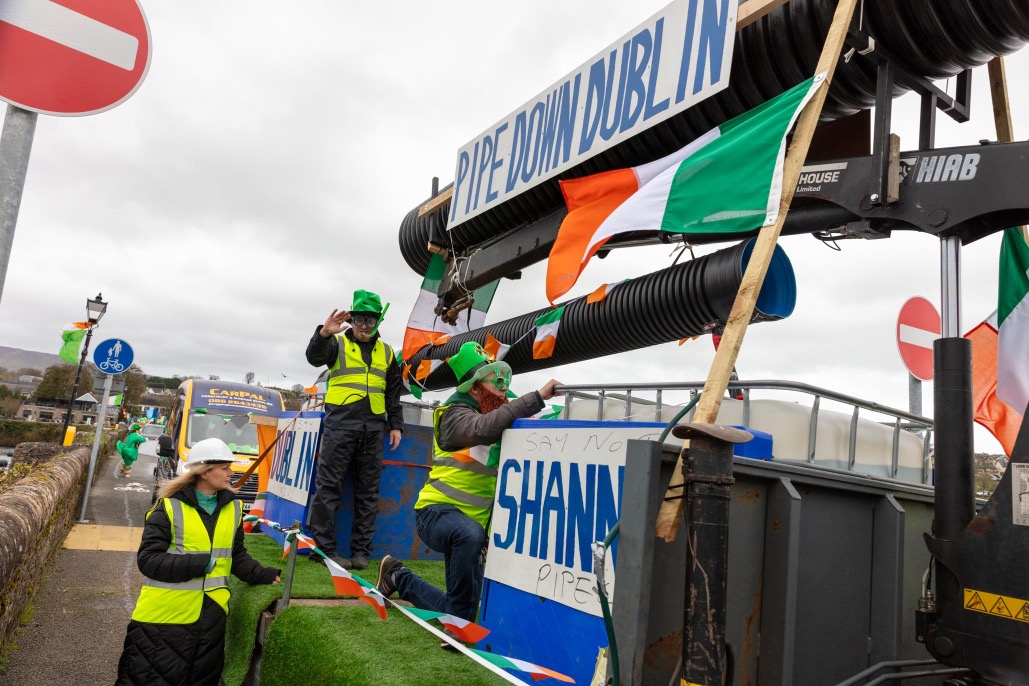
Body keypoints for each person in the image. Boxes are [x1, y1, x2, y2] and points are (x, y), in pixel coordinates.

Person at [375, 341, 560, 648]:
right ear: (475, 388)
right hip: (436, 515)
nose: (504, 388)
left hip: (472, 529)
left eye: (507, 381)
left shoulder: (497, 414)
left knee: (462, 612)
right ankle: (459, 628)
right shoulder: (452, 415)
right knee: (468, 541)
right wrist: (536, 397)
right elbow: (481, 429)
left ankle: (399, 578)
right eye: (496, 381)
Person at [115, 438, 281, 686]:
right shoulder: (168, 509)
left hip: (211, 619)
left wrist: (263, 574)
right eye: (224, 467)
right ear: (204, 472)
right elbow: (148, 561)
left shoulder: (233, 509)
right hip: (165, 619)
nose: (230, 472)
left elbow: (236, 556)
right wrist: (200, 564)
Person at [305, 289, 403, 570]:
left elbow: (392, 393)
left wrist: (395, 425)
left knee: (368, 494)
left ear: (378, 323)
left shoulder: (386, 352)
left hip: (373, 430)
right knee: (329, 490)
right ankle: (324, 550)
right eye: (359, 319)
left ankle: (361, 552)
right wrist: (323, 334)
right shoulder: (335, 343)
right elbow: (314, 357)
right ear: (353, 318)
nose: (363, 326)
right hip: (340, 428)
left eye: (370, 321)